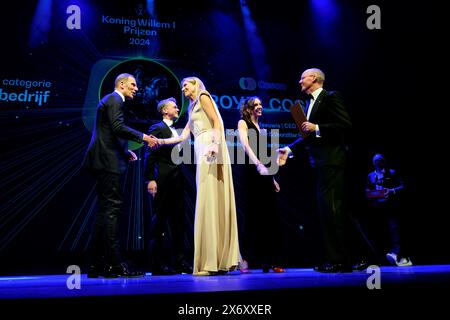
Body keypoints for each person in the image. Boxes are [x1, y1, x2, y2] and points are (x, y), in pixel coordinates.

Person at [152, 77, 241, 276]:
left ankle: (216, 260)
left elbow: (218, 122)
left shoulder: (203, 96)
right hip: (201, 148)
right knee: (207, 200)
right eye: (182, 86)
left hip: (211, 145)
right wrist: (159, 141)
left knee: (211, 196)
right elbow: (183, 137)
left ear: (195, 85)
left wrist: (215, 145)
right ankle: (214, 259)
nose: (183, 88)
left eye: (186, 85)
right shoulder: (191, 108)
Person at [278, 68, 353, 272]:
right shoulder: (307, 104)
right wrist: (289, 148)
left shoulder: (330, 97)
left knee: (332, 209)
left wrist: (317, 127)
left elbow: (345, 125)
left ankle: (340, 261)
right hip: (320, 163)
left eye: (303, 77)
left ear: (314, 79)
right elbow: (308, 135)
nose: (299, 80)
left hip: (332, 161)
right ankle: (338, 258)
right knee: (327, 211)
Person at [84, 73, 158, 278]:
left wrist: (125, 152)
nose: (136, 88)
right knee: (112, 210)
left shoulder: (110, 100)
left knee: (104, 211)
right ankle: (114, 264)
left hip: (104, 158)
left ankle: (96, 265)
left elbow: (108, 131)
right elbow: (117, 127)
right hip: (107, 162)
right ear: (122, 84)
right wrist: (143, 137)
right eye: (133, 85)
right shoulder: (115, 99)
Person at [144, 97, 193, 275]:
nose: (177, 108)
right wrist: (150, 179)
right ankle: (157, 264)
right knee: (160, 223)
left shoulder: (175, 130)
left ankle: (180, 262)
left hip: (176, 182)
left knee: (178, 222)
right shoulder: (157, 128)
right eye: (174, 106)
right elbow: (150, 155)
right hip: (163, 181)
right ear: (165, 111)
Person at [237, 96, 285, 273]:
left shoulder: (262, 128)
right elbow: (245, 146)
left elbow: (266, 154)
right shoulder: (243, 123)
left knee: (270, 217)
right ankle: (245, 259)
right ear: (249, 109)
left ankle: (271, 260)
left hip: (265, 173)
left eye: (260, 104)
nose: (260, 107)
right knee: (252, 215)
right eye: (255, 105)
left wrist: (272, 178)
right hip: (252, 171)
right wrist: (257, 164)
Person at [366, 153, 412, 266]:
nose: (378, 161)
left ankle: (397, 254)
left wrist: (391, 191)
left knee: (394, 230)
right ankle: (379, 257)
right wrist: (369, 194)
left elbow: (403, 186)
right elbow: (367, 189)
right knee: (379, 232)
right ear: (373, 163)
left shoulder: (392, 172)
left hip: (391, 206)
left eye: (380, 159)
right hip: (376, 207)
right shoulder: (371, 175)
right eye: (376, 160)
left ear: (384, 161)